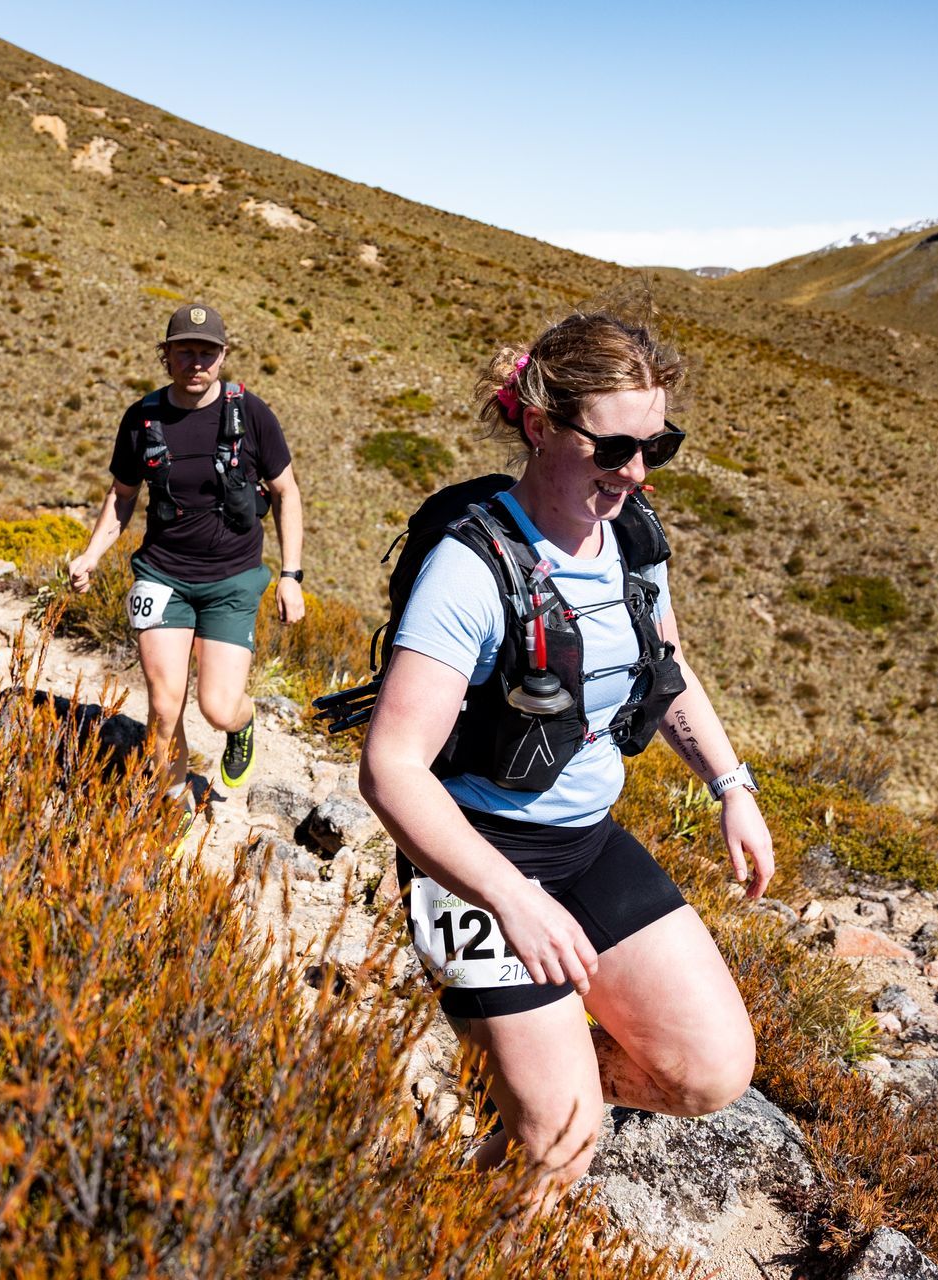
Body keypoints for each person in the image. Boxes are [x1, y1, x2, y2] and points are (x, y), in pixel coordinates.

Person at [357, 309, 774, 1206]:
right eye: (613, 448)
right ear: (541, 424)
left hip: (583, 840)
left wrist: (730, 786)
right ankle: (468, 1211)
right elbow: (390, 767)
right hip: (472, 860)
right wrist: (511, 899)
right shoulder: (471, 571)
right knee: (560, 1142)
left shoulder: (631, 541)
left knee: (709, 1073)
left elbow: (666, 667)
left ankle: (519, 1088)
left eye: (656, 449)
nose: (634, 474)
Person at [68, 304, 305, 802]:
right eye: (185, 351)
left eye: (207, 352)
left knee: (218, 707)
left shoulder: (251, 413)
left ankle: (243, 722)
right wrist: (91, 554)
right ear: (166, 355)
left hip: (233, 578)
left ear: (222, 357)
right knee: (163, 703)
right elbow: (123, 494)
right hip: (162, 574)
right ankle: (171, 808)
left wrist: (291, 575)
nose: (196, 361)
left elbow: (286, 492)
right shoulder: (143, 417)